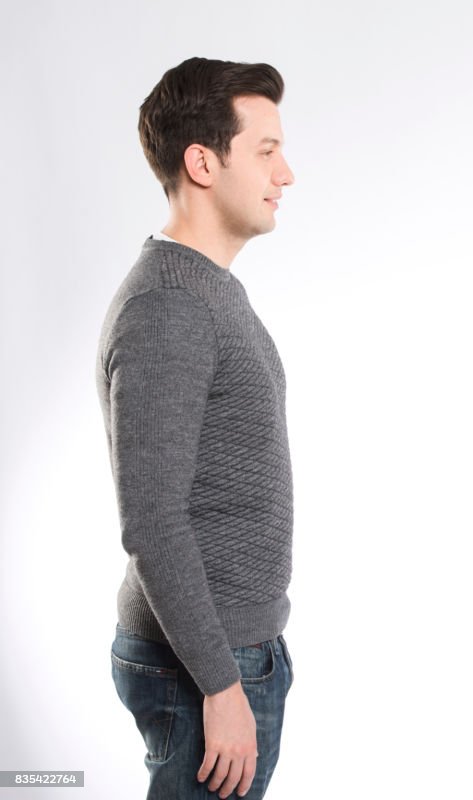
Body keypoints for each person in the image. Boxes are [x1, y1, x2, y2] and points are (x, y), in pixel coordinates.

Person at [96, 57, 296, 800]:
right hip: (203, 665)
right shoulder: (171, 306)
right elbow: (151, 518)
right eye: (267, 151)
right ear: (203, 162)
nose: (287, 174)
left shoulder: (205, 290)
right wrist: (219, 684)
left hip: (224, 651)